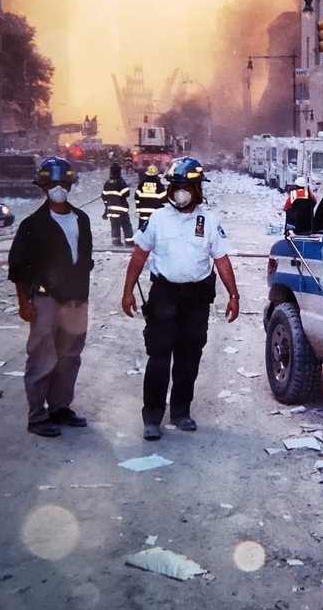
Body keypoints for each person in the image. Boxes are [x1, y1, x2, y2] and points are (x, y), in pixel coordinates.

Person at [121, 156, 240, 441]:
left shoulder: (209, 222)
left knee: (189, 358)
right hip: (164, 297)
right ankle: (152, 418)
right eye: (176, 186)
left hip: (196, 299)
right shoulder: (157, 219)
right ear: (169, 189)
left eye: (187, 186)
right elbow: (139, 256)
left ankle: (181, 411)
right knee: (159, 358)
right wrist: (127, 291)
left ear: (198, 189)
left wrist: (233, 295)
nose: (181, 191)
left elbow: (221, 260)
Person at [7, 157, 94, 438]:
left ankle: (60, 408)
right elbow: (19, 266)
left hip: (76, 300)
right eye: (52, 183)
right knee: (42, 357)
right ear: (43, 187)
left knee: (70, 356)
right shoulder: (33, 224)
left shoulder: (82, 219)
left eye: (62, 182)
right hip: (45, 300)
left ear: (70, 184)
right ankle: (37, 416)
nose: (58, 187)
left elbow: (84, 260)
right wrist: (23, 301)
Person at [101, 162, 134, 246]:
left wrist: (106, 209)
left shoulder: (107, 183)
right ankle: (129, 242)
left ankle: (116, 242)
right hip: (121, 210)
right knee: (126, 226)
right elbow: (126, 193)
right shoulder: (121, 182)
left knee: (115, 226)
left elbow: (104, 196)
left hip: (111, 210)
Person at [135, 164, 167, 228]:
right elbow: (164, 199)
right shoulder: (159, 184)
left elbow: (137, 198)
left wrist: (138, 208)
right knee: (155, 230)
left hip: (143, 212)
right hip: (155, 213)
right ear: (156, 174)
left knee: (142, 231)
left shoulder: (141, 184)